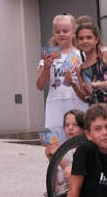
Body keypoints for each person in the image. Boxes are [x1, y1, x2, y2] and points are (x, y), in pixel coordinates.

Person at [37, 12, 88, 141]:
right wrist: (46, 68)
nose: (61, 34)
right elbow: (40, 85)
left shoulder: (82, 55)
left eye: (65, 31)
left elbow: (86, 85)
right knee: (56, 144)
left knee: (80, 140)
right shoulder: (49, 55)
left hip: (77, 103)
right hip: (55, 105)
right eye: (58, 31)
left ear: (73, 32)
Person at [34, 109, 85, 197]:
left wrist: (61, 160)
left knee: (69, 171)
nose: (70, 128)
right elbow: (56, 184)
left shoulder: (86, 148)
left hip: (81, 194)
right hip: (63, 193)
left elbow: (71, 175)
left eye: (75, 125)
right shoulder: (63, 149)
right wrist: (52, 159)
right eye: (67, 125)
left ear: (84, 128)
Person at [66, 21, 107, 103]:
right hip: (96, 112)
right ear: (77, 41)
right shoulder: (80, 69)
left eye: (89, 37)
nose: (85, 41)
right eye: (81, 38)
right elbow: (85, 98)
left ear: (96, 39)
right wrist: (73, 84)